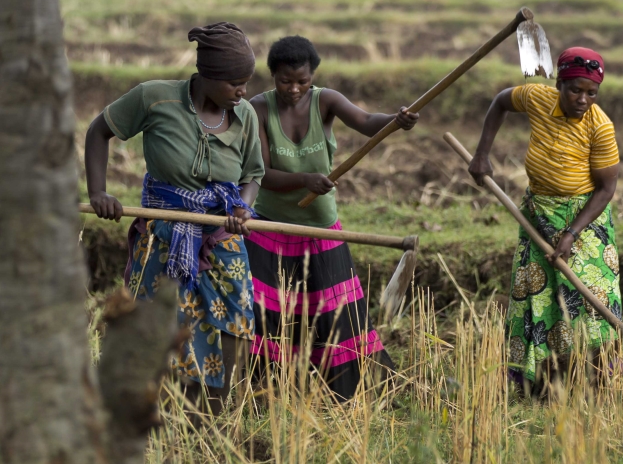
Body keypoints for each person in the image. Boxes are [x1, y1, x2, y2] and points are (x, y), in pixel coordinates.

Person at [84, 22, 264, 414]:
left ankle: (215, 413)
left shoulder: (245, 115)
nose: (243, 91)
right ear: (208, 76)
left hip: (221, 235)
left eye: (246, 82)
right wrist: (98, 192)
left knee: (233, 319)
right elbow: (99, 132)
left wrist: (241, 208)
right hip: (163, 231)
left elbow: (252, 174)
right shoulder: (155, 98)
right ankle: (151, 409)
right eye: (235, 82)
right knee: (157, 321)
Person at [246, 35, 418, 401]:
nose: (294, 89)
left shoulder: (326, 100)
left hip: (322, 229)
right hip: (271, 228)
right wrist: (305, 180)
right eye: (284, 81)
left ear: (313, 77)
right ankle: (269, 390)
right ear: (272, 76)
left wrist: (396, 120)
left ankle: (341, 390)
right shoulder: (257, 109)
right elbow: (261, 174)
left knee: (338, 314)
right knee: (270, 315)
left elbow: (368, 121)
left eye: (302, 81)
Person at [468, 47, 622, 394]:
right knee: (534, 294)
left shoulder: (600, 126)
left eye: (591, 92)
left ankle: (598, 380)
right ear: (559, 84)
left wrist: (571, 233)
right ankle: (533, 382)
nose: (583, 99)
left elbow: (606, 189)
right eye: (575, 90)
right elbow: (499, 103)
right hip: (538, 212)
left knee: (591, 298)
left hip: (584, 220)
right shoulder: (537, 98)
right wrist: (481, 155)